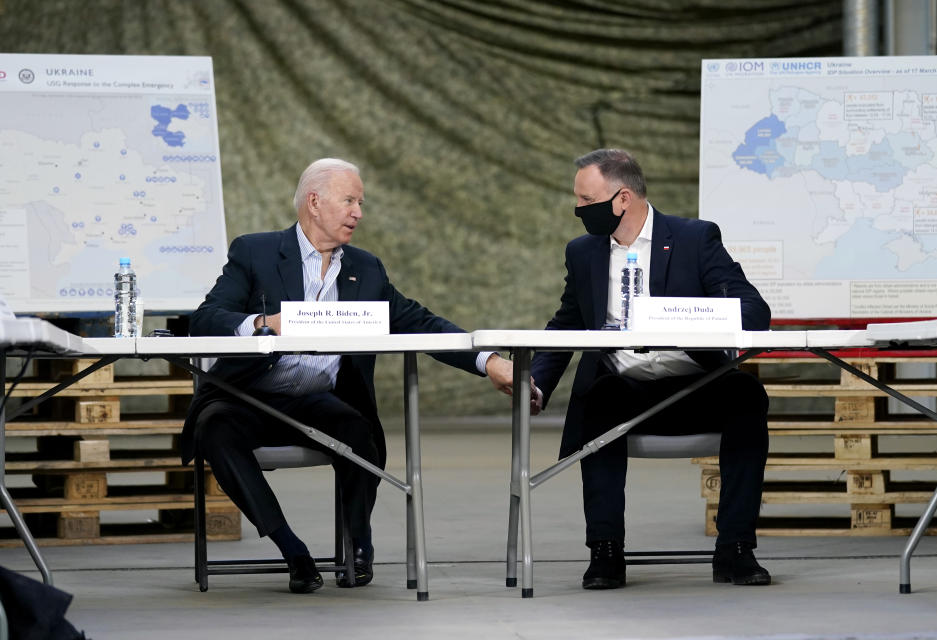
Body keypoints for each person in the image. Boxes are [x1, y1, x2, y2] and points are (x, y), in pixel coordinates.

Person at [182, 158, 514, 593]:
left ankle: (359, 542)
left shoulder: (367, 269)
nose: (359, 212)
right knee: (213, 429)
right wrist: (265, 325)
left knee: (361, 433)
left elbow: (420, 323)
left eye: (361, 202)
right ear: (315, 203)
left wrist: (488, 360)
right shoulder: (255, 252)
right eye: (350, 200)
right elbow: (206, 319)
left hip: (316, 401)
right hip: (247, 396)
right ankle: (293, 551)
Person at [529, 148, 772, 589]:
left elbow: (754, 310)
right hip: (622, 388)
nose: (577, 211)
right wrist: (537, 383)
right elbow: (567, 322)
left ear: (621, 198)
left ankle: (736, 548)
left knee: (746, 395)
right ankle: (605, 553)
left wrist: (687, 321)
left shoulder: (695, 239)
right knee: (596, 398)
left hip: (695, 383)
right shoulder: (583, 253)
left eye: (585, 201)